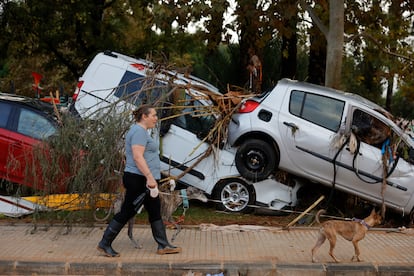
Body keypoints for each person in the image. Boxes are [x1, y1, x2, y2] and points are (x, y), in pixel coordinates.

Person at [97, 105, 181, 257]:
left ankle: (163, 245)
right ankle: (104, 243)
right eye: (153, 115)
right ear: (144, 116)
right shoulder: (139, 132)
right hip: (139, 179)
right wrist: (149, 177)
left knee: (155, 209)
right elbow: (137, 156)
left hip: (145, 179)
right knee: (128, 211)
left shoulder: (141, 132)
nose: (156, 118)